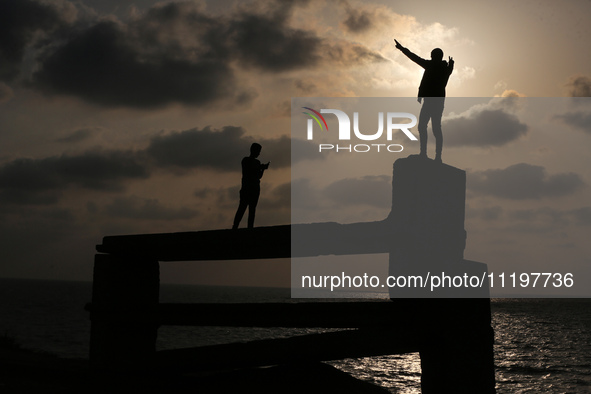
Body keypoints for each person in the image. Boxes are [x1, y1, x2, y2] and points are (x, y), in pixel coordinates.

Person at [394, 39, 454, 163]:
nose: (431, 58)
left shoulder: (434, 67)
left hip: (433, 102)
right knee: (430, 127)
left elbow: (414, 58)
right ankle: (430, 155)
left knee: (430, 127)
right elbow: (415, 58)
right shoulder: (445, 68)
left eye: (432, 56)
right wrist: (451, 64)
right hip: (434, 102)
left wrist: (402, 49)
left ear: (435, 57)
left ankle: (431, 155)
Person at [232, 143, 270, 229]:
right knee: (242, 208)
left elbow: (259, 176)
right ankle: (235, 226)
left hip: (255, 188)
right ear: (253, 150)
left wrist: (262, 169)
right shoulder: (246, 160)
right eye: (258, 151)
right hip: (247, 188)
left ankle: (249, 227)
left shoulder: (257, 162)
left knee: (252, 209)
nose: (259, 153)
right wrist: (260, 168)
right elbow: (250, 171)